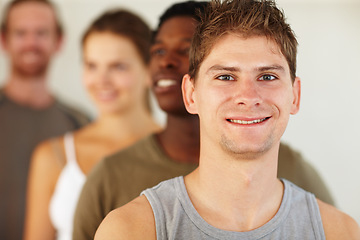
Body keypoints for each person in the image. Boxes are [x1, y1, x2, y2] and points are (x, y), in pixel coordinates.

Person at [95, 0, 360, 239]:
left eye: (267, 76)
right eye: (225, 77)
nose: (247, 96)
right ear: (190, 94)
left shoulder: (340, 232)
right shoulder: (130, 230)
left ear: (295, 95)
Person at [22, 8, 160, 240]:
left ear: (150, 70)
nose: (102, 80)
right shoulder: (53, 156)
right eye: (92, 66)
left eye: (118, 66)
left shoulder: (184, 153)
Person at [0, 0, 90, 239]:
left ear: (58, 41)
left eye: (41, 33)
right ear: (4, 40)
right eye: (21, 33)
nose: (31, 43)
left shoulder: (81, 124)